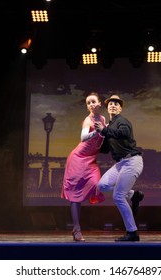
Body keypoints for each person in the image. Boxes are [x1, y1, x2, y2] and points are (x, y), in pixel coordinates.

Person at [94, 94, 144, 242]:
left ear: (120, 108)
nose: (113, 105)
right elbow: (104, 148)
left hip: (132, 161)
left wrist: (104, 131)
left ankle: (132, 232)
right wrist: (96, 134)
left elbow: (124, 133)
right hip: (121, 163)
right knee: (102, 185)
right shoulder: (109, 126)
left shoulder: (123, 121)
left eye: (116, 104)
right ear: (107, 108)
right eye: (110, 104)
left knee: (118, 196)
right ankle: (134, 195)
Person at [61, 92, 106, 241]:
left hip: (91, 160)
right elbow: (83, 137)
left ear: (99, 103)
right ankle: (77, 229)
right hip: (78, 159)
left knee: (97, 184)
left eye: (93, 101)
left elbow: (103, 139)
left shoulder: (103, 119)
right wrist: (96, 132)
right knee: (75, 196)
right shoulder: (88, 120)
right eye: (88, 103)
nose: (91, 104)